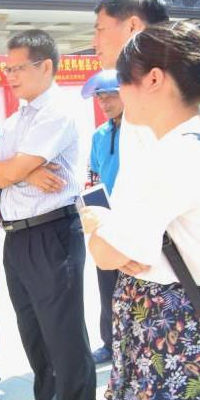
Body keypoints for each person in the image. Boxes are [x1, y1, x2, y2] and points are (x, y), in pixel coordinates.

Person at [81, 21, 200, 400]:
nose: (116, 92)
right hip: (182, 325)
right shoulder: (198, 141)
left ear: (154, 79)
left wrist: (98, 225)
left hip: (170, 334)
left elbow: (106, 254)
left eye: (121, 79)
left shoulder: (171, 156)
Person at [0, 30, 99, 400]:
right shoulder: (17, 119)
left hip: (52, 232)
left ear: (45, 66)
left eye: (17, 68)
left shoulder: (59, 111)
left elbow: (4, 171)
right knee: (33, 328)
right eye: (7, 68)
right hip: (17, 234)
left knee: (63, 332)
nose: (10, 76)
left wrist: (13, 171)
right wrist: (21, 172)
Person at [92, 0, 169, 206]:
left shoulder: (178, 90)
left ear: (133, 26)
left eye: (100, 29)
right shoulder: (135, 97)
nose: (94, 42)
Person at [80, 70, 123, 364]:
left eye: (111, 96)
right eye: (100, 98)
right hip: (107, 222)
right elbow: (94, 178)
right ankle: (110, 343)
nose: (105, 103)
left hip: (134, 220)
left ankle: (133, 344)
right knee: (107, 286)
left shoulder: (141, 131)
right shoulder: (99, 135)